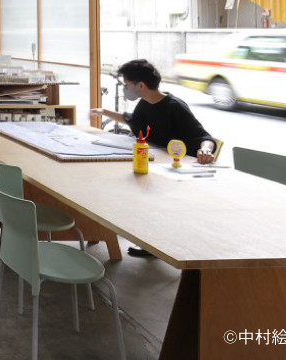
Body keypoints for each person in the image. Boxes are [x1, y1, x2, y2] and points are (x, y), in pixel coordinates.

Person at [92, 58, 217, 258]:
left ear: (141, 86)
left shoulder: (175, 106)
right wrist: (103, 111)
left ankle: (156, 243)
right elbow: (132, 120)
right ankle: (148, 241)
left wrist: (206, 151)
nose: (125, 89)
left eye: (127, 85)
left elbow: (204, 137)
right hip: (157, 165)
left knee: (139, 189)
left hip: (177, 171)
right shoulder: (145, 104)